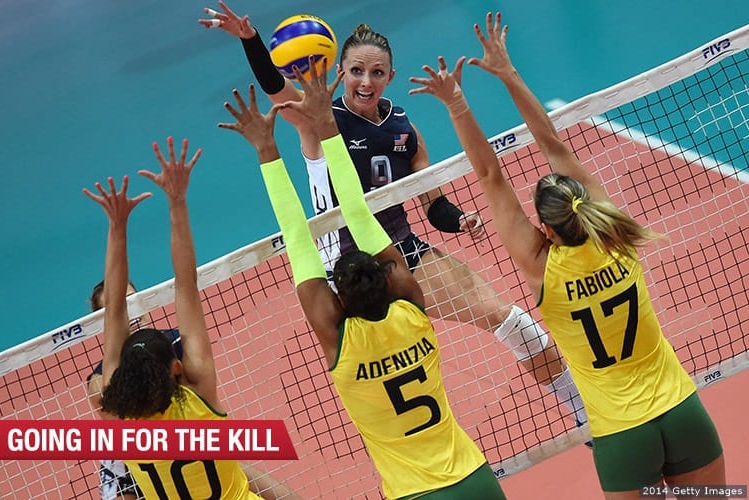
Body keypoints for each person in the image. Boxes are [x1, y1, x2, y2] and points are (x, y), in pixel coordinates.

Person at [198, 0, 589, 430]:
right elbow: (276, 87)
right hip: (344, 272)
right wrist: (251, 40)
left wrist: (458, 219)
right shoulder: (316, 118)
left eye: (377, 72)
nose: (366, 81)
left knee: (507, 318)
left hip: (401, 252)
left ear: (390, 77)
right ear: (339, 72)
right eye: (356, 71)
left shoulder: (404, 129)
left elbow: (433, 204)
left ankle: (582, 412)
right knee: (379, 384)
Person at [409, 11, 726, 498]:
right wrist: (509, 72)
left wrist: (457, 104)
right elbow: (552, 142)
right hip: (684, 414)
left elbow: (490, 176)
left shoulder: (542, 268)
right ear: (585, 205)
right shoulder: (615, 234)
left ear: (544, 229)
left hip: (622, 437)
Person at [219, 58, 507, 499]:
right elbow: (359, 211)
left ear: (338, 300)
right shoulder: (414, 313)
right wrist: (322, 127)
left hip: (414, 493)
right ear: (392, 276)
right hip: (475, 477)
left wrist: (265, 148)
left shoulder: (344, 349)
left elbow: (298, 235)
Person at [83, 139, 298, 500]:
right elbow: (185, 284)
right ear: (177, 367)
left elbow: (114, 311)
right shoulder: (199, 395)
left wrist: (116, 227)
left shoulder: (120, 418)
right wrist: (176, 200)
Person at [86, 281, 182, 500]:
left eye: (131, 300)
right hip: (132, 456)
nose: (129, 312)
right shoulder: (100, 385)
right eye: (117, 309)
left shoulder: (178, 343)